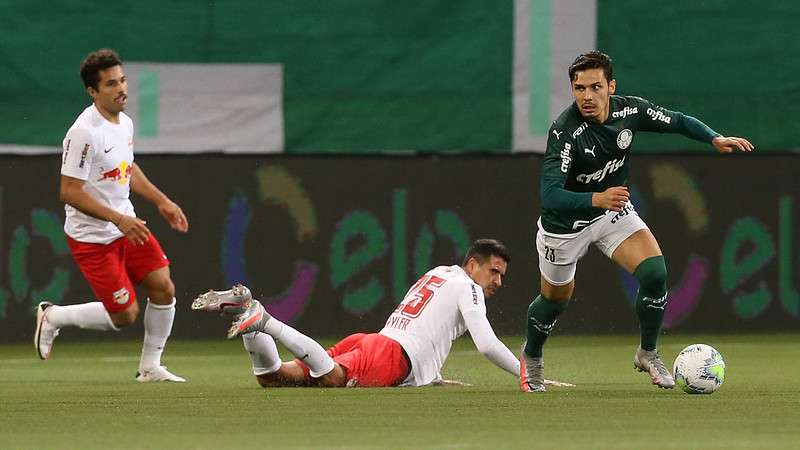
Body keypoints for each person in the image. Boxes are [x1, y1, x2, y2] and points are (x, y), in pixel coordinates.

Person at [520, 51, 754, 392]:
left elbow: (675, 120)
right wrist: (595, 198)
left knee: (655, 273)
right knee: (555, 300)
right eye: (579, 88)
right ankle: (533, 356)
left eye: (595, 87)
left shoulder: (629, 110)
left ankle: (648, 353)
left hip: (611, 211)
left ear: (610, 86)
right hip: (565, 226)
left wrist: (713, 137)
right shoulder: (565, 132)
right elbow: (550, 195)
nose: (587, 96)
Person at [194, 239, 570, 388]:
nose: (498, 281)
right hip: (391, 357)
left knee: (275, 378)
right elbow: (486, 345)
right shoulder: (468, 287)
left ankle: (246, 311)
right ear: (472, 265)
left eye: (503, 275)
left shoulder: (439, 273)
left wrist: (431, 376)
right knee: (332, 380)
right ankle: (265, 320)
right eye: (494, 271)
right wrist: (529, 374)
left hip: (377, 342)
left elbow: (424, 326)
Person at [33, 49, 189, 382]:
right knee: (125, 315)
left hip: (125, 226)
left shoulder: (125, 121)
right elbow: (70, 191)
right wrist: (118, 220)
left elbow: (126, 168)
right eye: (110, 84)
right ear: (92, 91)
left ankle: (149, 368)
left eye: (122, 80)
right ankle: (53, 317)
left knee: (163, 287)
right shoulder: (83, 132)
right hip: (93, 237)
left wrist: (162, 201)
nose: (121, 89)